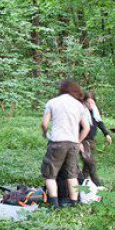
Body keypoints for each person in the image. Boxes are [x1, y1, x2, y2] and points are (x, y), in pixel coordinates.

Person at [40, 79, 91, 208]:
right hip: (73, 143)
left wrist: (46, 133)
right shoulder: (79, 105)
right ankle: (74, 204)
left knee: (50, 175)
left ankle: (55, 205)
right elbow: (86, 128)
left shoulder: (52, 102)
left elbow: (44, 123)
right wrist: (78, 141)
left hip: (57, 142)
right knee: (72, 174)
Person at [80, 91, 113, 187]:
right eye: (88, 102)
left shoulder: (94, 110)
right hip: (82, 141)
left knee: (86, 168)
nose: (90, 105)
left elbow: (99, 122)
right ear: (84, 101)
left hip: (91, 141)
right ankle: (99, 187)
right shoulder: (80, 111)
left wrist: (106, 134)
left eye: (92, 102)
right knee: (91, 165)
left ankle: (83, 187)